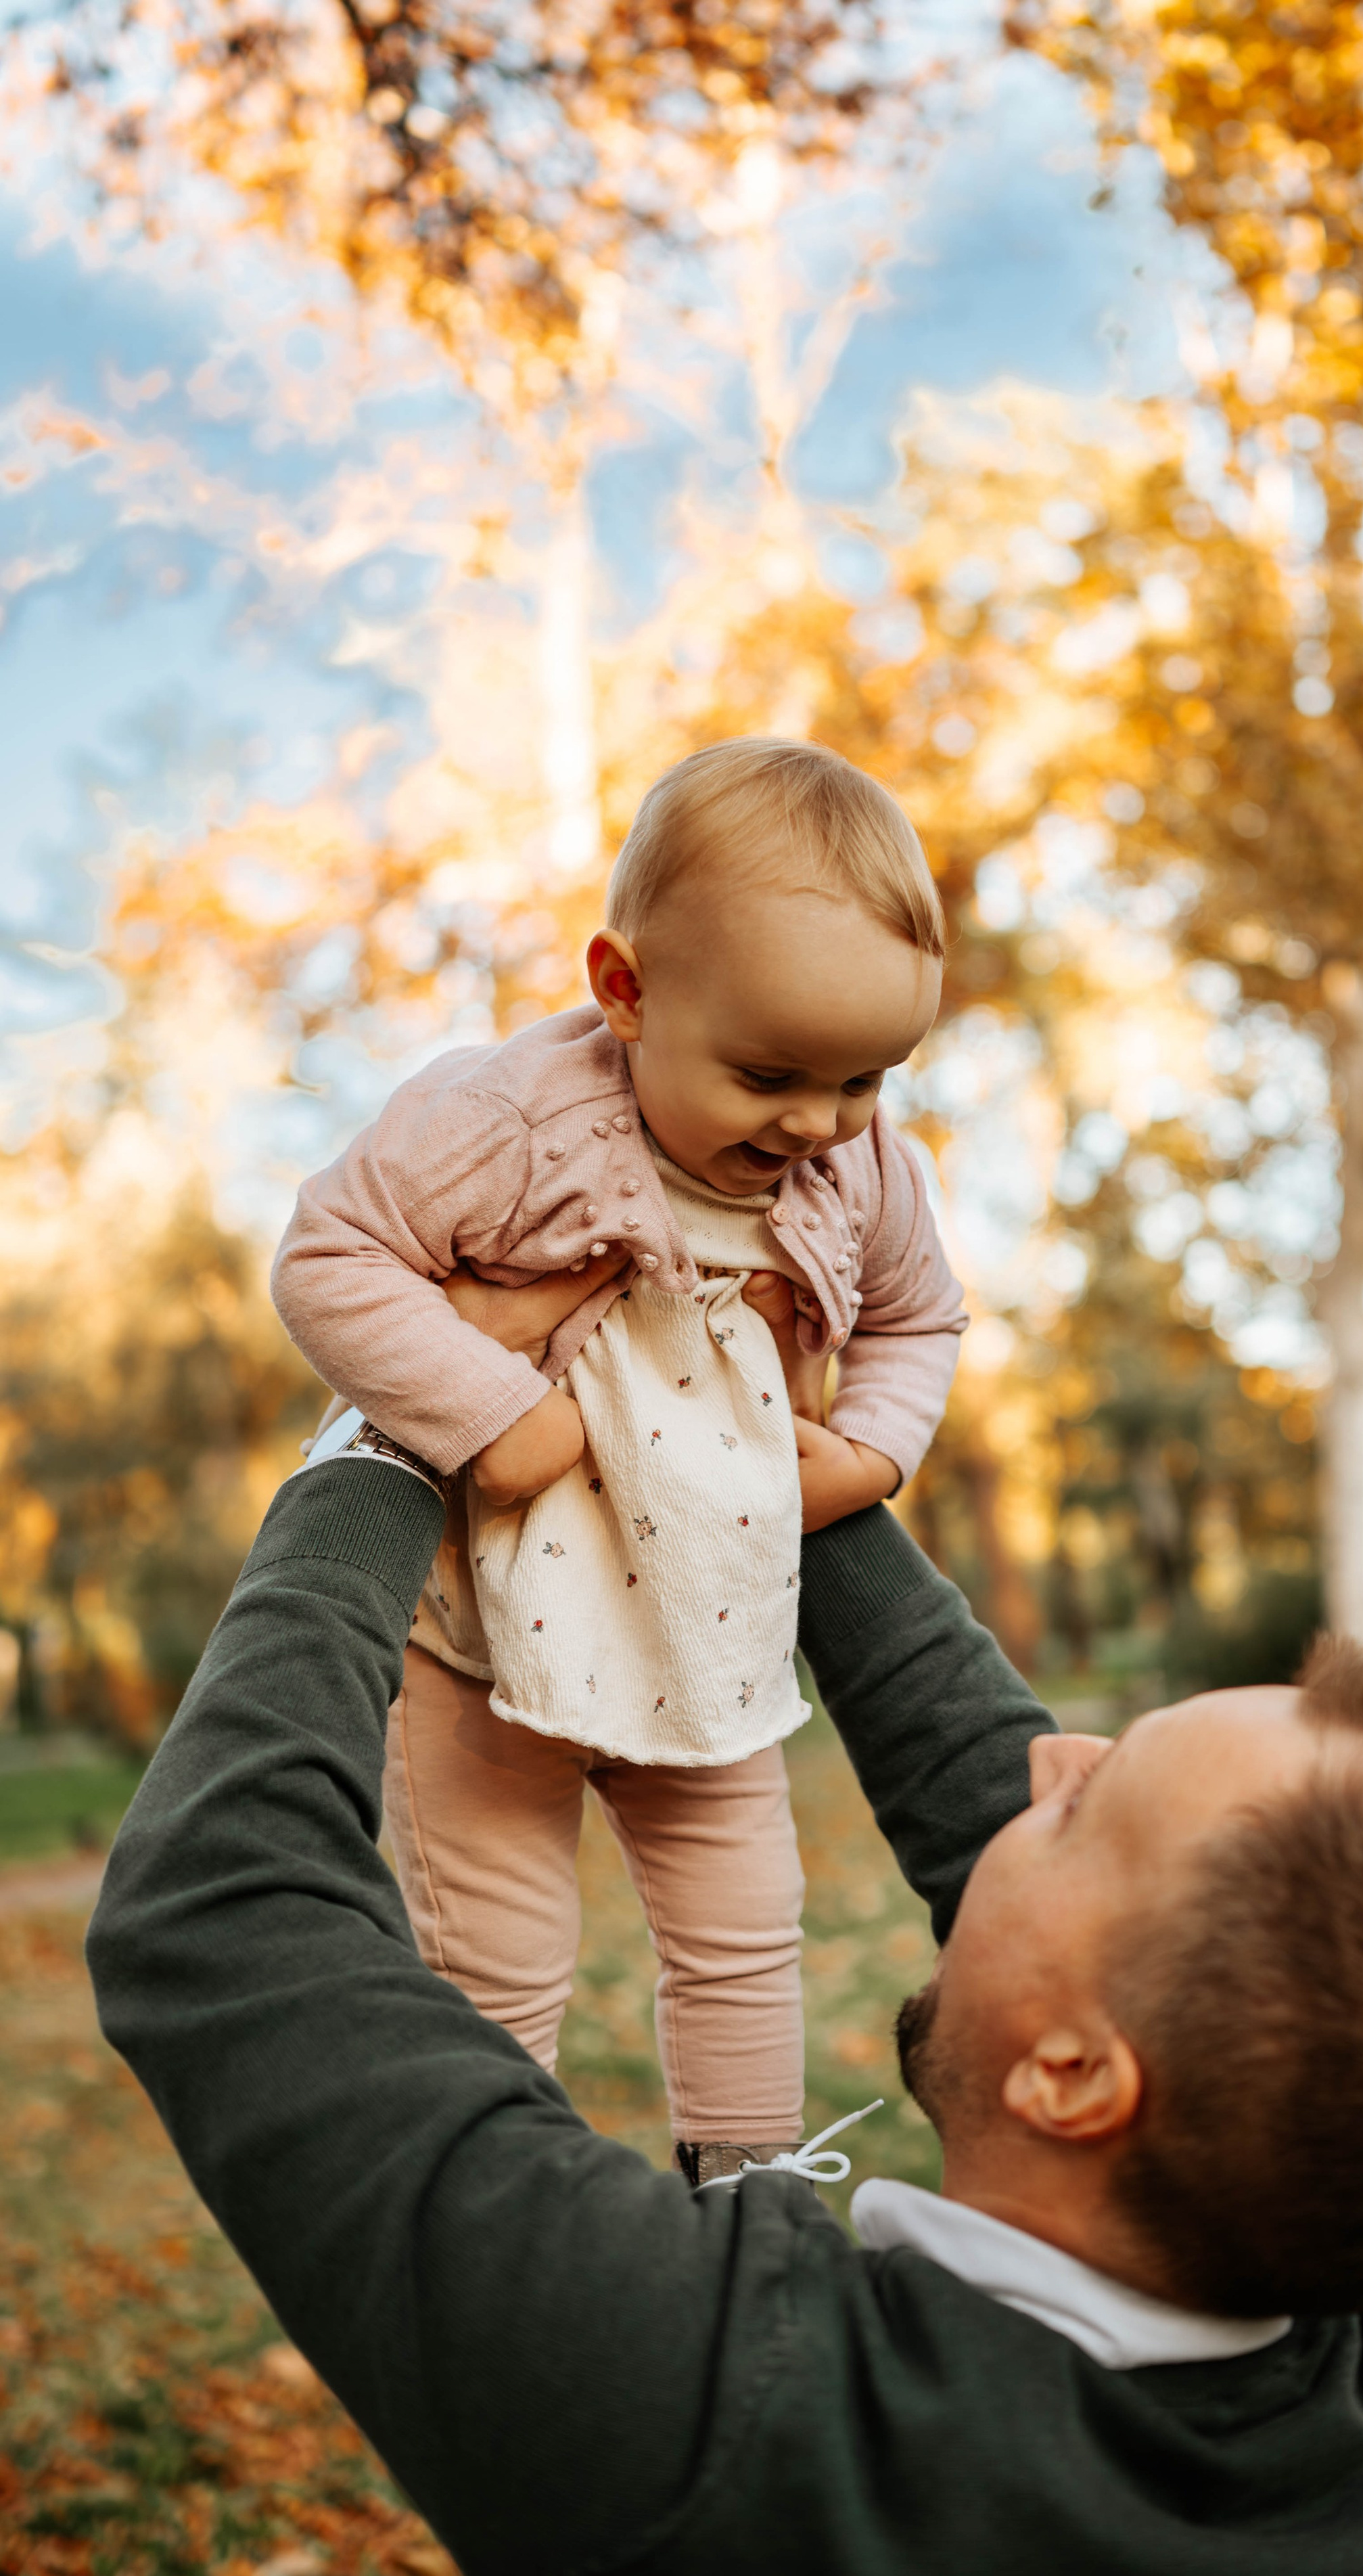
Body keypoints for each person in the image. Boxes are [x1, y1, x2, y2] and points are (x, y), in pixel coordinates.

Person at [89, 1399, 1363, 2576]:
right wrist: (737, 1427)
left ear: (1073, 2078)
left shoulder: (707, 2410)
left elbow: (222, 1911)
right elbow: (1035, 1838)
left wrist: (391, 1430)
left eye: (1087, 1804)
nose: (1044, 1758)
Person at [269, 738, 967, 2177]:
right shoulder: (505, 1123)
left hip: (707, 1619)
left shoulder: (860, 1165)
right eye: (769, 1074)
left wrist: (874, 1452)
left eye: (865, 1077)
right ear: (626, 992)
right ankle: (497, 2212)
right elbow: (330, 1257)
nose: (818, 1123)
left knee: (742, 1935)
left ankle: (747, 2204)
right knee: (497, 1958)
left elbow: (921, 1314)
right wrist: (493, 1411)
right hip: (478, 1631)